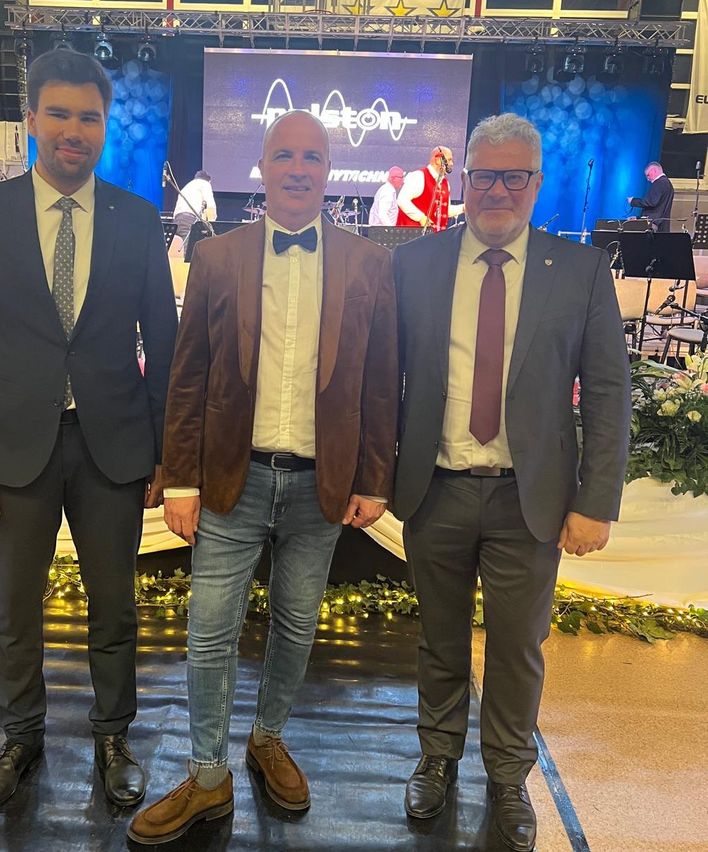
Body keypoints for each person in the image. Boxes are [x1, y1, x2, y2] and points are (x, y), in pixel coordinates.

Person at [127, 110, 398, 846]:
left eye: (313, 156)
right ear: (264, 167)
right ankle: (208, 775)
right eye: (285, 155)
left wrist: (375, 478)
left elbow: (379, 384)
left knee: (296, 623)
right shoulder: (217, 258)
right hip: (229, 481)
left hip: (322, 487)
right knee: (208, 632)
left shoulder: (368, 263)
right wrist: (178, 479)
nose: (299, 169)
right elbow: (186, 380)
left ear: (329, 169)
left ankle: (268, 737)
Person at [0, 49, 178, 814]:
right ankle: (20, 739)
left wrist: (168, 452)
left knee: (115, 606)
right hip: (11, 449)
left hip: (113, 449)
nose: (76, 131)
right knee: (14, 606)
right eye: (62, 115)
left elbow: (165, 349)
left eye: (91, 118)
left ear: (105, 127)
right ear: (33, 118)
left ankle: (113, 737)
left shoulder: (139, 221)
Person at [393, 113, 630, 852]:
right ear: (463, 178)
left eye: (514, 176)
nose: (498, 189)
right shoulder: (416, 265)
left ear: (536, 183)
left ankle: (506, 774)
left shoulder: (580, 271)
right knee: (438, 641)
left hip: (531, 499)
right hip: (435, 490)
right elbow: (379, 383)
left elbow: (610, 393)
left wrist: (596, 501)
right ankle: (437, 757)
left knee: (518, 646)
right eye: (484, 174)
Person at [397, 145, 465, 232]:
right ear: (437, 160)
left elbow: (445, 211)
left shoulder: (445, 183)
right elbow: (402, 200)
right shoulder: (418, 176)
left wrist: (464, 208)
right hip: (412, 236)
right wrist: (421, 218)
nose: (451, 164)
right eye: (449, 160)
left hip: (434, 238)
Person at [172, 169, 217, 243]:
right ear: (208, 180)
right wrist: (212, 226)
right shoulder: (205, 184)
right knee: (187, 249)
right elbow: (210, 206)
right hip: (189, 219)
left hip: (177, 220)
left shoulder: (188, 186)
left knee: (178, 247)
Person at [628, 161, 675, 232]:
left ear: (654, 170)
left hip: (653, 226)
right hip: (661, 226)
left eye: (648, 175)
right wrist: (638, 218)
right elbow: (658, 209)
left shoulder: (659, 183)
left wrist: (633, 201)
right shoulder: (667, 183)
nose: (648, 179)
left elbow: (651, 202)